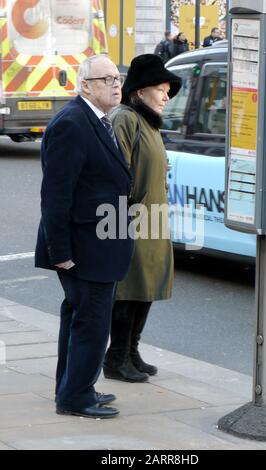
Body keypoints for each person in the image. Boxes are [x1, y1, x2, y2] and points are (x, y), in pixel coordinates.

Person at [35, 55, 134, 418]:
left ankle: (74, 386)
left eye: (117, 77)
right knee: (91, 323)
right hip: (84, 247)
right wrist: (59, 250)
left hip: (99, 243)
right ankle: (74, 397)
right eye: (105, 78)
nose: (115, 84)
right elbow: (55, 194)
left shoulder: (96, 120)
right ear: (85, 85)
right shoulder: (73, 124)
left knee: (80, 318)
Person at [104, 54, 182, 382]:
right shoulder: (125, 118)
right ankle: (116, 356)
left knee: (147, 286)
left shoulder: (149, 122)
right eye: (160, 89)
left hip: (152, 217)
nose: (166, 96)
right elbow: (115, 170)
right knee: (127, 288)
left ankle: (131, 351)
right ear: (139, 92)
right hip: (131, 218)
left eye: (167, 91)